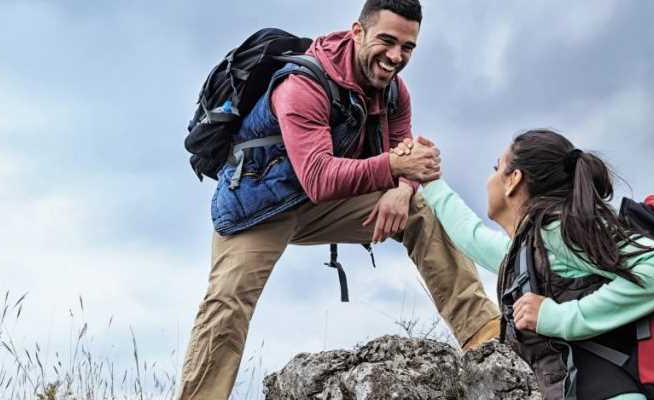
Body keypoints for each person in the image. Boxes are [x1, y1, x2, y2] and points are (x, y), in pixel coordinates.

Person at [178, 1, 501, 399]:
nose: (396, 56)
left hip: (324, 203)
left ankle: (484, 335)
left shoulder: (396, 93)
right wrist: (395, 166)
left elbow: (405, 164)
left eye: (407, 47)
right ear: (357, 31)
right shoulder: (302, 85)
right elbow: (318, 176)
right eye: (386, 40)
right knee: (226, 305)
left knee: (422, 210)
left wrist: (402, 190)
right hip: (257, 207)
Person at [398, 129, 654, 399]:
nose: (489, 178)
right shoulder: (531, 249)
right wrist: (431, 182)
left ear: (514, 180)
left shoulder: (558, 231)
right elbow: (472, 238)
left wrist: (562, 317)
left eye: (496, 168)